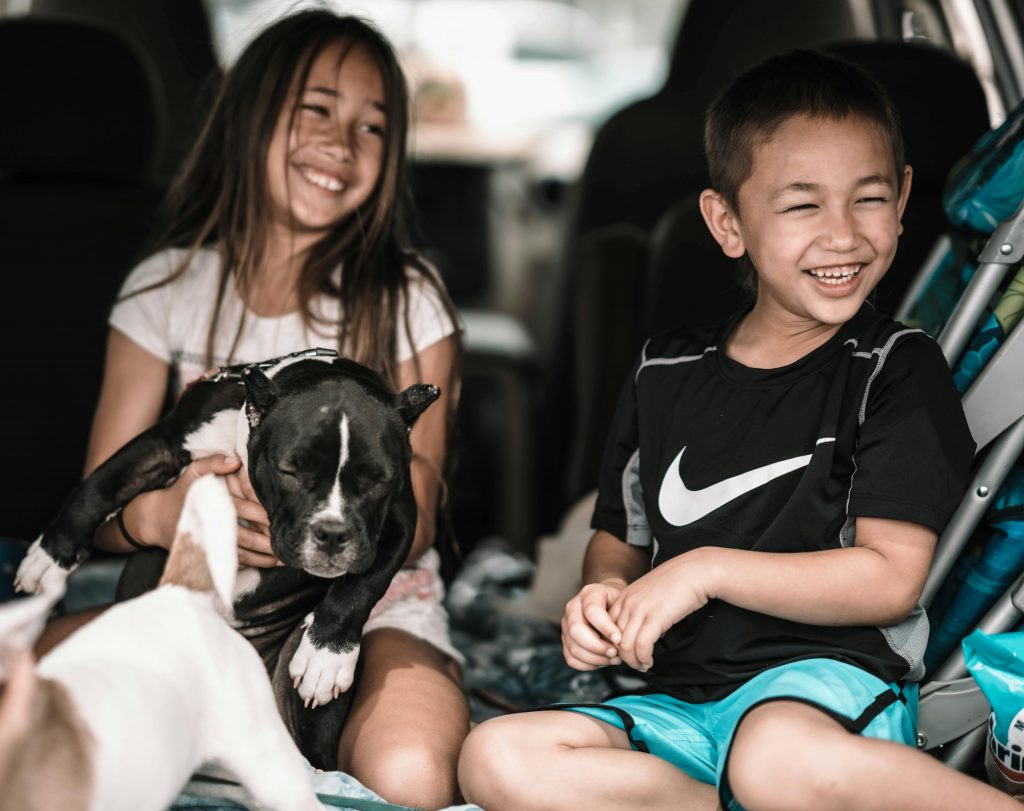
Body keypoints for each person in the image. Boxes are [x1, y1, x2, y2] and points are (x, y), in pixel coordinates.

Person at [458, 50, 1017, 811]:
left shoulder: (894, 369)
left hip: (820, 694)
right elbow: (620, 539)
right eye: (802, 205)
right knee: (496, 755)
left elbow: (890, 577)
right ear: (728, 223)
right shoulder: (663, 373)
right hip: (684, 705)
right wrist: (602, 595)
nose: (843, 235)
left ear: (905, 197)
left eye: (869, 199)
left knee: (771, 761)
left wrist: (704, 569)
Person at [34, 10, 468, 809]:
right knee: (25, 707)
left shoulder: (408, 298)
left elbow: (424, 508)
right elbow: (102, 504)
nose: (342, 142)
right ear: (250, 113)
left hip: (365, 606)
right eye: (317, 108)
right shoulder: (167, 288)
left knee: (412, 772)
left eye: (373, 127)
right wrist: (172, 517)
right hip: (188, 597)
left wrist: (346, 601)